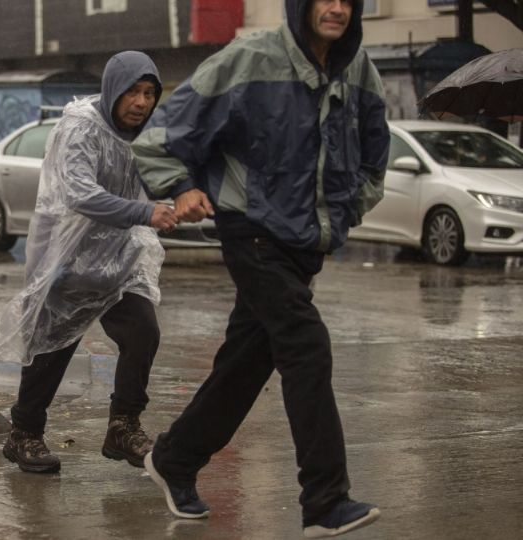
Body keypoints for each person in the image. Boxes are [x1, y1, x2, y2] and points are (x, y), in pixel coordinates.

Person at [131, 0, 389, 537]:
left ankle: (175, 458)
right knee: (306, 344)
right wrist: (184, 188)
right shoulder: (250, 58)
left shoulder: (359, 67)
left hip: (305, 244)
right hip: (250, 229)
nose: (336, 8)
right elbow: (160, 140)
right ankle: (325, 499)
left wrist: (346, 210)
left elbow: (373, 154)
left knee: (246, 364)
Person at [0, 51, 177, 474]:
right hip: (67, 257)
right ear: (114, 88)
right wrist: (144, 213)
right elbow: (79, 192)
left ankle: (123, 426)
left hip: (118, 259)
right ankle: (23, 434)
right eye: (133, 91)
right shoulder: (81, 127)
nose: (142, 102)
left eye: (150, 93)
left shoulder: (143, 135)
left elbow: (162, 172)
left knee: (143, 332)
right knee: (51, 349)